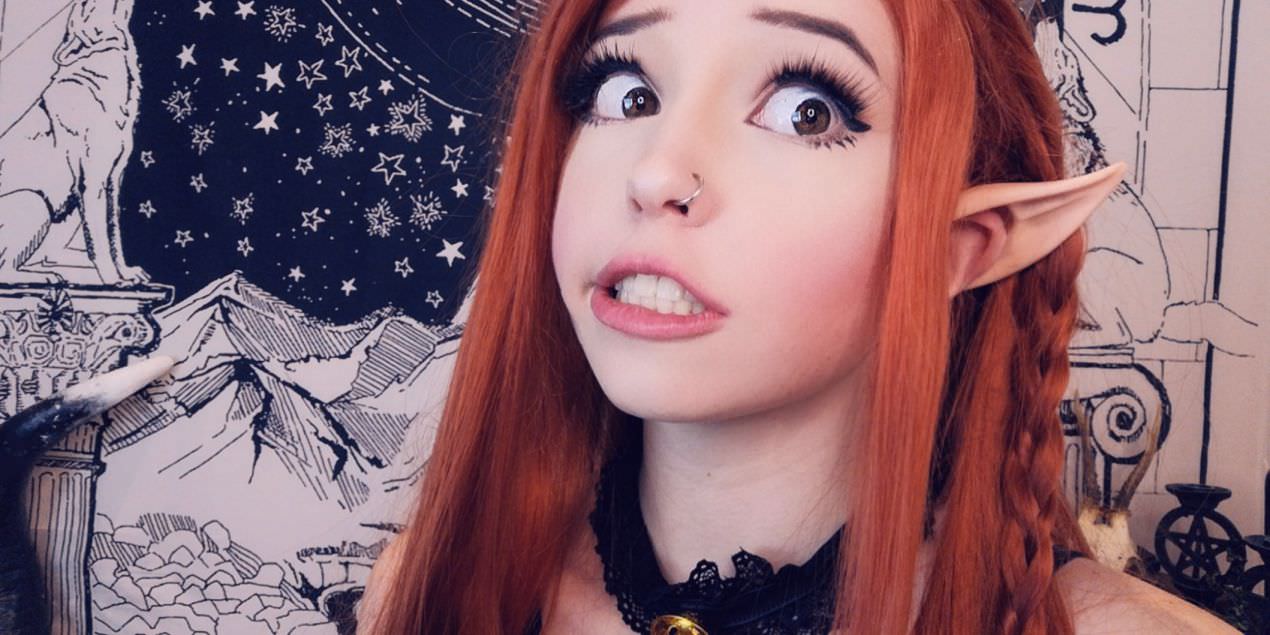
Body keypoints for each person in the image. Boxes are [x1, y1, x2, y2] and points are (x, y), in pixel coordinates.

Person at [358, 0, 1238, 633]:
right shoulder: (427, 590)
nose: (656, 172)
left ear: (964, 245)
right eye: (625, 92)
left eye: (805, 110)